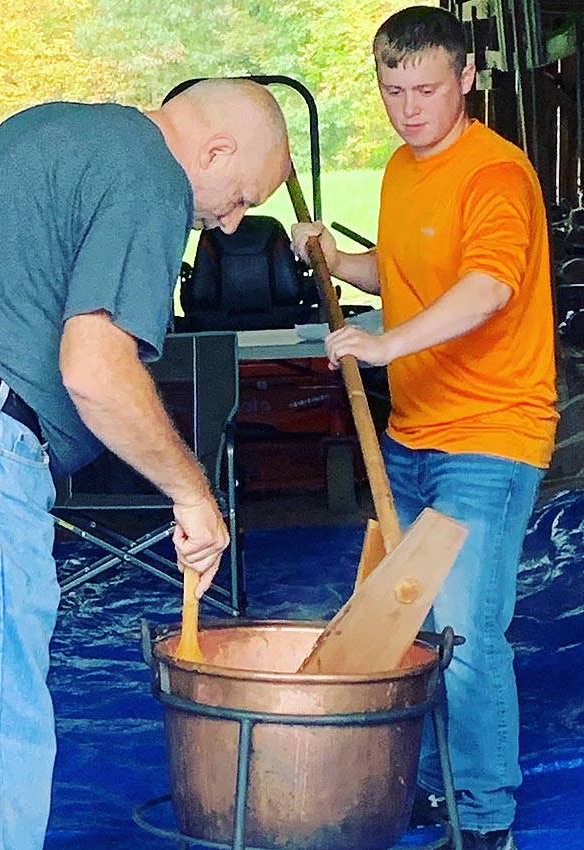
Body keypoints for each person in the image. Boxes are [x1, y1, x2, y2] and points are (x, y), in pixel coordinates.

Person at [0, 78, 290, 850]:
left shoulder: (45, 125)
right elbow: (95, 370)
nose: (232, 221)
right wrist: (192, 495)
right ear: (214, 150)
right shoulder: (152, 172)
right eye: (240, 196)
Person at [292, 7, 557, 850]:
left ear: (467, 78)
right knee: (409, 622)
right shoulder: (404, 169)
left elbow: (486, 289)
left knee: (468, 632)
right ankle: (440, 786)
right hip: (411, 433)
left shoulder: (495, 174)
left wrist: (381, 344)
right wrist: (338, 263)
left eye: (426, 90)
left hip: (489, 434)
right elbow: (405, 271)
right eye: (392, 89)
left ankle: (485, 819)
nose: (408, 109)